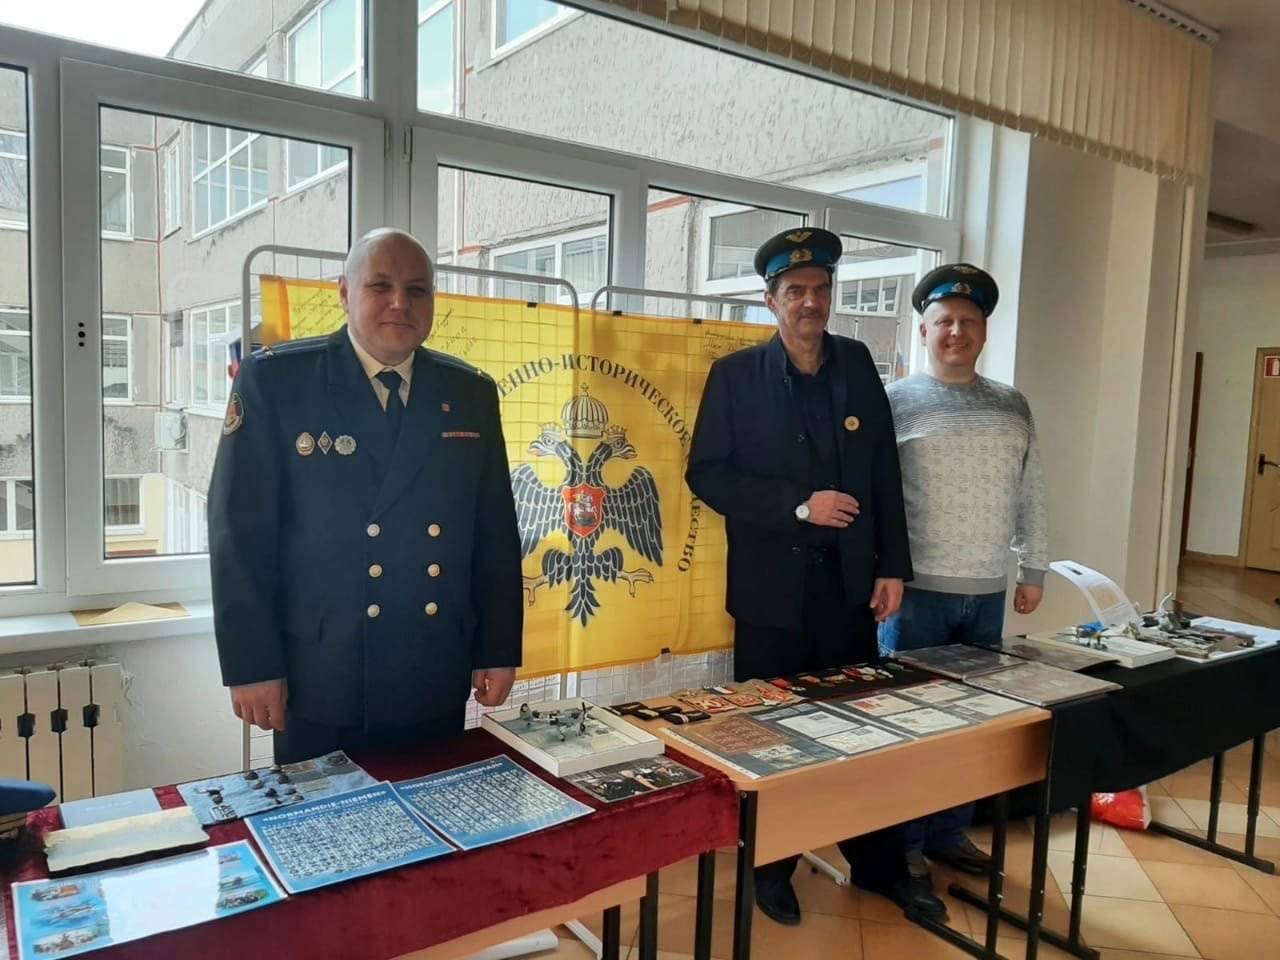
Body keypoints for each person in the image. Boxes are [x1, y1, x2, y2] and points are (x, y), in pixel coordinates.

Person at [686, 227, 943, 925]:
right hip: (770, 599)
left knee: (859, 731)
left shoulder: (856, 363)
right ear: (770, 300)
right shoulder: (735, 376)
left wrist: (893, 566)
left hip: (848, 592)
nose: (810, 302)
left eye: (820, 289)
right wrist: (799, 505)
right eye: (795, 290)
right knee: (770, 738)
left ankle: (879, 866)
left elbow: (883, 469)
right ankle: (771, 866)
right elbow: (707, 473)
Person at [208, 227, 523, 763]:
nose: (400, 302)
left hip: (432, 665)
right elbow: (239, 534)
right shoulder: (278, 381)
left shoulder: (469, 392)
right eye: (381, 286)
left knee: (434, 811)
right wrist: (252, 664)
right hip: (320, 673)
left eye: (417, 289)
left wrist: (496, 647)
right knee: (324, 816)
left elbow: (493, 532)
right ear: (344, 292)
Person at [879, 262, 1049, 887]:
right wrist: (881, 571)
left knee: (971, 724)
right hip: (915, 594)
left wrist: (1034, 566)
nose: (957, 332)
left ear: (983, 331)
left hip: (987, 591)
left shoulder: (1012, 404)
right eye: (944, 321)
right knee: (909, 724)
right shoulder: (894, 402)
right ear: (924, 331)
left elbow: (1031, 489)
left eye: (969, 321)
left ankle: (949, 834)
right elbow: (877, 496)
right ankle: (900, 846)